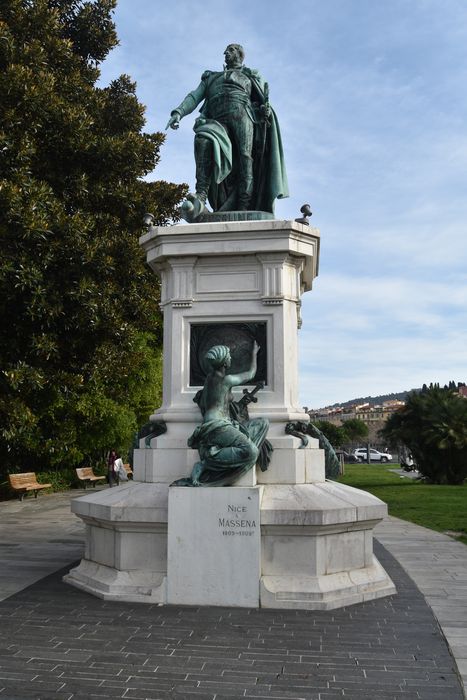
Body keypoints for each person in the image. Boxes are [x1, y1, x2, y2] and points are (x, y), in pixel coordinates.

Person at [166, 44, 288, 217]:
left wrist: (264, 110)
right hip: (216, 118)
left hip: (242, 114)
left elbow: (261, 101)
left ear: (239, 54)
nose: (225, 53)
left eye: (230, 51)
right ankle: (201, 194)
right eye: (226, 51)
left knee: (246, 156)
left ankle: (244, 204)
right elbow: (194, 96)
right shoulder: (211, 77)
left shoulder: (249, 75)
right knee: (203, 140)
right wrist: (179, 112)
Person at [171, 342, 269, 487]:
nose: (231, 358)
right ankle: (208, 462)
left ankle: (228, 452)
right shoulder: (226, 380)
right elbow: (251, 374)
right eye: (229, 356)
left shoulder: (208, 380)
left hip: (218, 424)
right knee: (252, 452)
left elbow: (205, 404)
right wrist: (254, 354)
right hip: (218, 427)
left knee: (263, 423)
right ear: (224, 362)